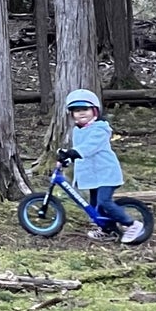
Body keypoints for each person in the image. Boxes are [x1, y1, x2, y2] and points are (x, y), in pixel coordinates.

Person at [61, 87, 142, 243]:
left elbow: (89, 147)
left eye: (85, 109)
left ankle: (132, 224)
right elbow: (79, 152)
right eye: (77, 110)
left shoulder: (100, 129)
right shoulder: (77, 131)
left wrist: (72, 152)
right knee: (95, 207)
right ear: (71, 114)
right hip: (92, 175)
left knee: (104, 201)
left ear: (94, 111)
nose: (81, 113)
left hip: (106, 173)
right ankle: (107, 230)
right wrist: (68, 158)